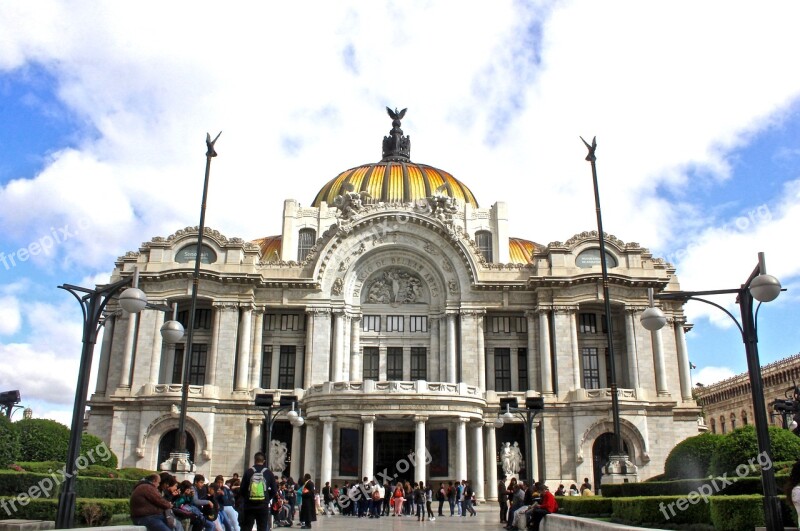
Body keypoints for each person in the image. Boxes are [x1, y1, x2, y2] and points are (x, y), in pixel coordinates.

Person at [240, 452, 279, 531]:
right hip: (263, 505)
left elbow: (242, 490)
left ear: (254, 460)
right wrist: (267, 498)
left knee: (247, 527)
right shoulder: (269, 473)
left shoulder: (248, 472)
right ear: (264, 461)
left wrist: (247, 498)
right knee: (262, 527)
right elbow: (274, 490)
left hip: (249, 505)